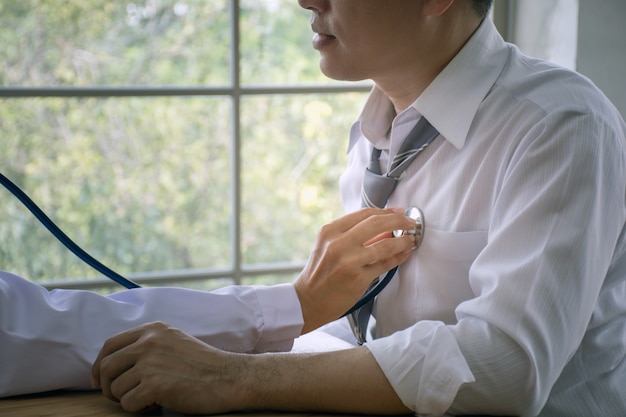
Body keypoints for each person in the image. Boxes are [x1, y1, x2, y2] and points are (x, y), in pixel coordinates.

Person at [2, 0, 625, 416]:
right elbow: (357, 334)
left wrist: (230, 379)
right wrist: (211, 358)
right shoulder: (376, 134)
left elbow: (501, 367)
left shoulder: (558, 126)